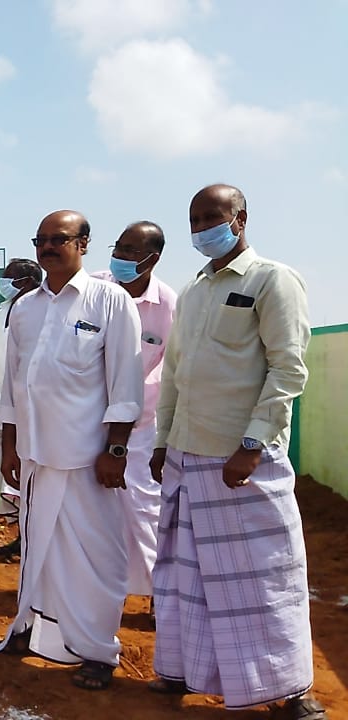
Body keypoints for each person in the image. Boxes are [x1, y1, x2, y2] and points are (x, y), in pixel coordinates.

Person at [149, 185, 323, 719]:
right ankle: (183, 669)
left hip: (241, 462)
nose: (203, 228)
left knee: (264, 578)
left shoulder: (272, 280)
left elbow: (287, 369)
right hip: (186, 457)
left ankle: (289, 691)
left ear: (240, 219)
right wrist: (162, 441)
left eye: (213, 217)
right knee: (185, 575)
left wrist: (251, 445)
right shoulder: (194, 290)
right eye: (195, 219)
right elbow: (175, 374)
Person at [0, 210, 144, 691]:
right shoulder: (25, 307)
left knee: (96, 557)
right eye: (41, 239)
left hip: (87, 458)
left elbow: (125, 384)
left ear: (84, 244)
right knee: (37, 548)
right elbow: (13, 385)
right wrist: (10, 448)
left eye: (59, 239)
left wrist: (115, 450)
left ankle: (97, 649)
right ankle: (32, 629)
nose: (48, 247)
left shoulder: (110, 301)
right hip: (35, 455)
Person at [93, 222, 176, 600]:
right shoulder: (96, 288)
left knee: (144, 509)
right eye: (118, 247)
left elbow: (172, 366)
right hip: (88, 418)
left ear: (152, 259)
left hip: (139, 427)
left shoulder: (168, 304)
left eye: (130, 251)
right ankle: (100, 590)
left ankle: (161, 594)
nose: (120, 257)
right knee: (93, 507)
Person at [0, 259, 43, 559]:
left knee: (27, 477)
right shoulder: (0, 313)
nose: (3, 283)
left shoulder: (40, 311)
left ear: (27, 281)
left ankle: (33, 542)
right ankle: (21, 539)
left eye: (10, 278)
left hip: (24, 410)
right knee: (7, 475)